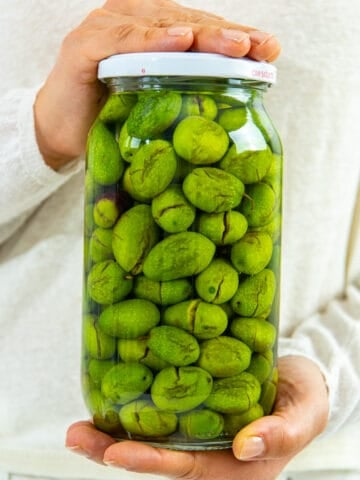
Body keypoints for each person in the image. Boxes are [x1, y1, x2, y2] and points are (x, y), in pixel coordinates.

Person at [0, 1, 359, 480]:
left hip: (306, 458)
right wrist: (39, 133)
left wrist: (326, 371)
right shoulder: (124, 126)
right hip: (19, 456)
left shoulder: (254, 135)